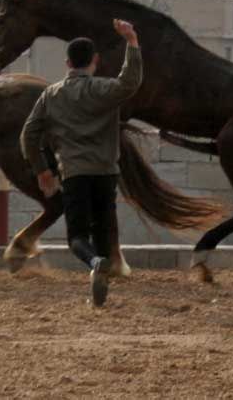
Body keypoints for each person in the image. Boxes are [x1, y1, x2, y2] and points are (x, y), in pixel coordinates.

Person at [20, 20, 143, 307]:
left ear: (67, 63)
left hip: (74, 173)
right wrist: (132, 42)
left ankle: (95, 263)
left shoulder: (51, 95)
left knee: (77, 237)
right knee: (103, 233)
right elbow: (130, 81)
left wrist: (42, 170)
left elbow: (29, 134)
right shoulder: (104, 89)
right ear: (95, 61)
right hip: (106, 173)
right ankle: (100, 283)